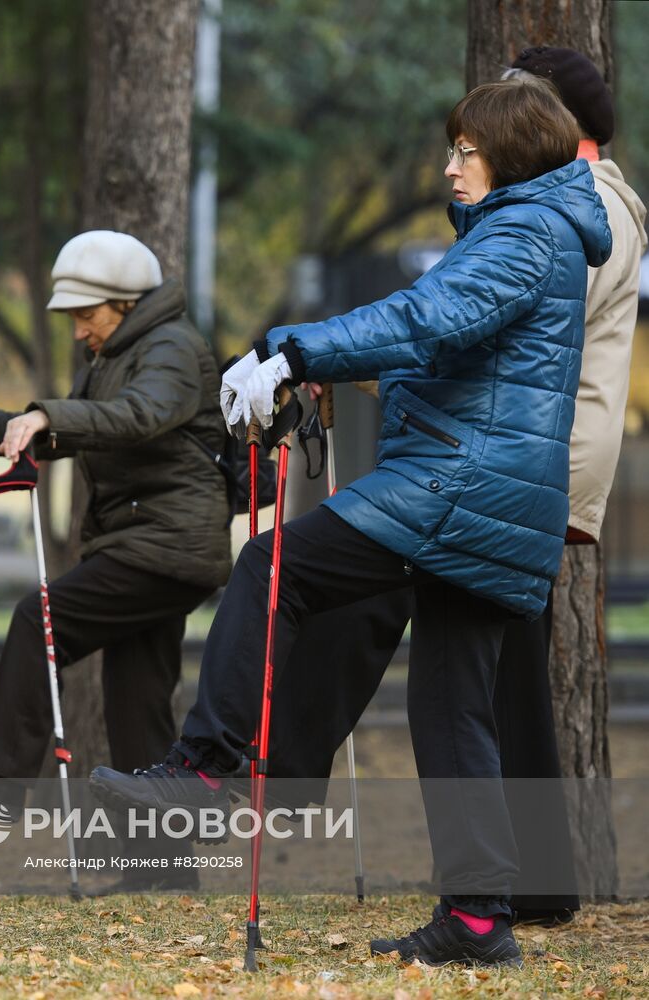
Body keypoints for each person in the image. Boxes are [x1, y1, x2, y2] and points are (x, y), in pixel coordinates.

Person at [89, 80, 610, 967]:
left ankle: (208, 765)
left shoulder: (525, 233)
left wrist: (295, 349)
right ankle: (480, 919)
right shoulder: (535, 232)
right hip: (493, 491)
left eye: (465, 152)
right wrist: (339, 370)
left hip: (457, 485)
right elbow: (452, 354)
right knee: (453, 710)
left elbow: (430, 320)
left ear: (512, 156)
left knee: (269, 565)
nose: (448, 167)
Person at [264, 46, 647, 928]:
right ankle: (523, 890)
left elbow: (487, 341)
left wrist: (333, 356)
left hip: (514, 466)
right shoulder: (561, 206)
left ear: (545, 127)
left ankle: (269, 771)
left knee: (362, 613)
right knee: (488, 679)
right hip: (512, 460)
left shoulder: (575, 213)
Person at [0, 230, 232, 811]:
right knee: (136, 698)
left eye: (88, 315)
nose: (79, 329)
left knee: (41, 620)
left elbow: (138, 416)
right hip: (150, 544)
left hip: (165, 547)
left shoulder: (172, 348)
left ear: (127, 303)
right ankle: (159, 868)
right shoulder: (114, 355)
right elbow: (69, 427)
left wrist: (46, 416)